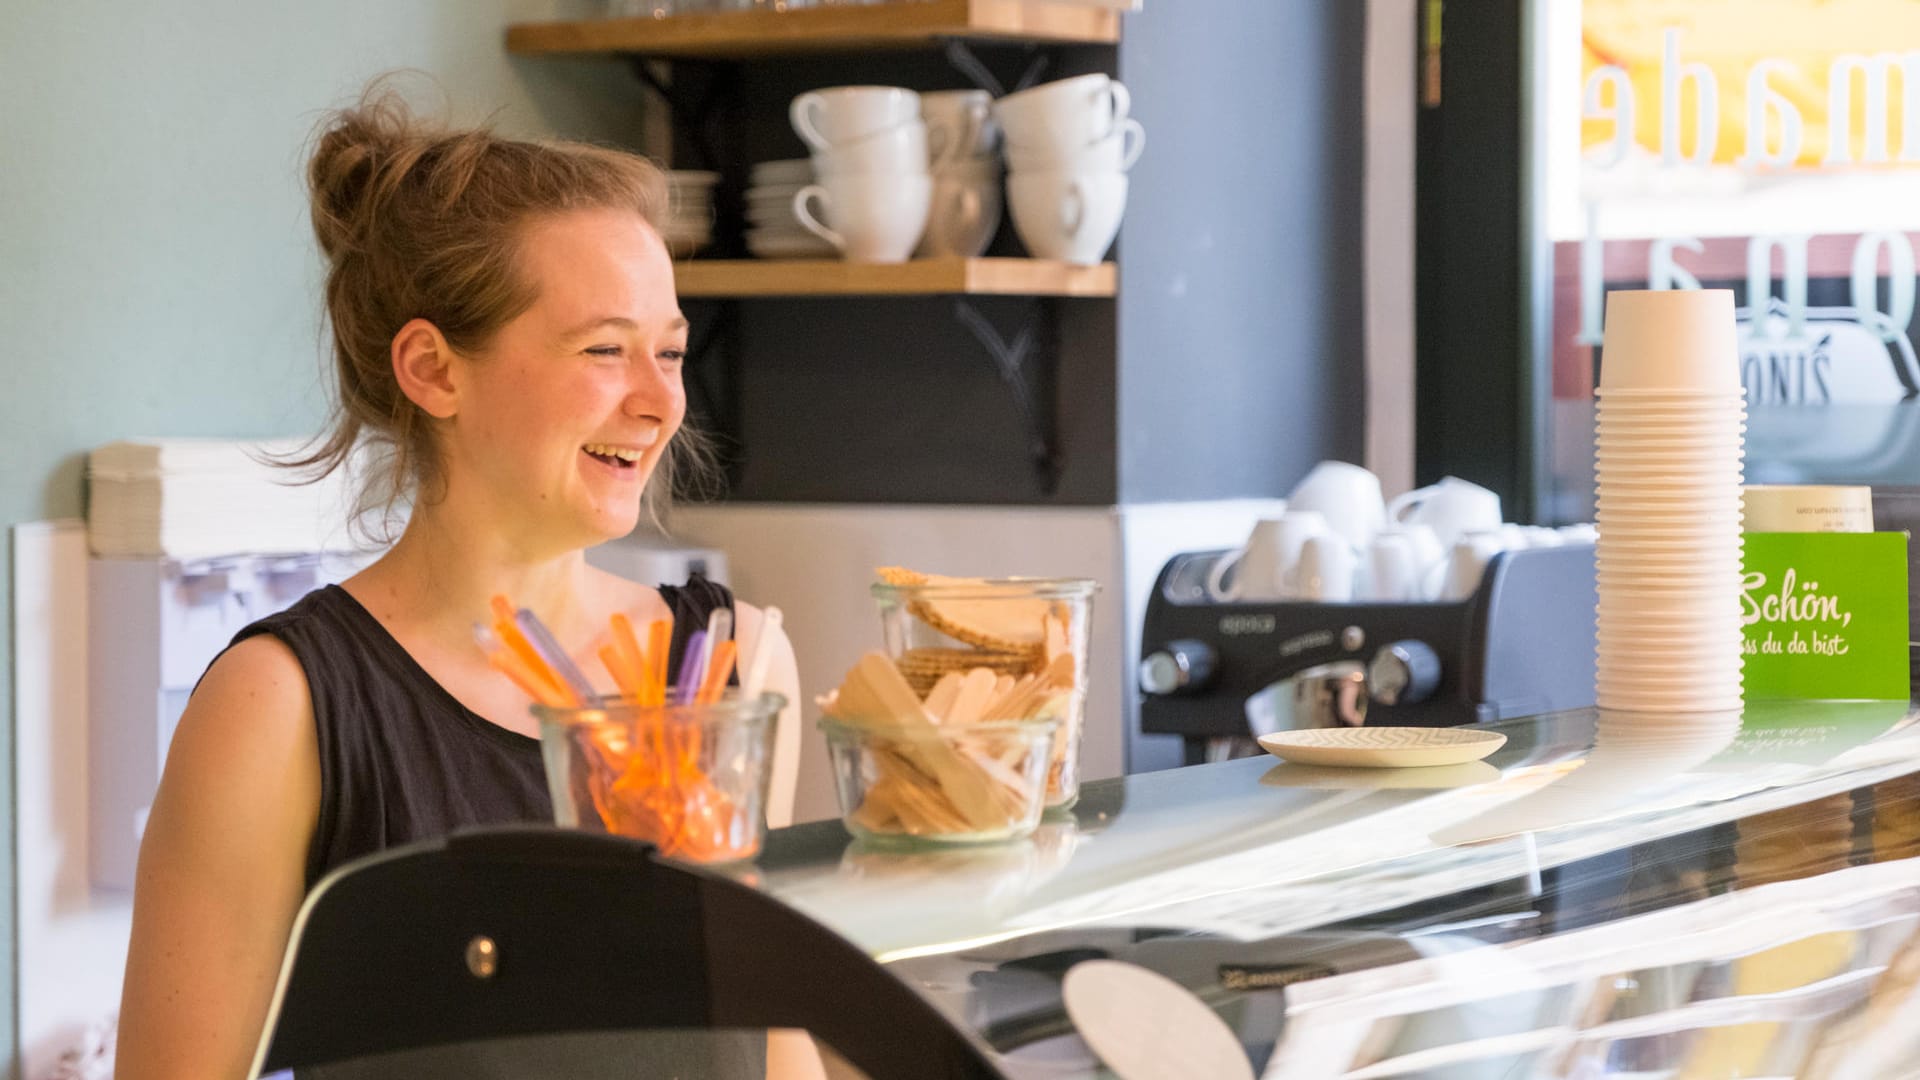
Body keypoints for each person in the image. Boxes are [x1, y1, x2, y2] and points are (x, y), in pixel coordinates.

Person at [116, 83, 817, 1078]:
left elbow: (771, 1046)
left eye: (670, 352)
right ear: (434, 370)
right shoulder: (281, 708)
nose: (661, 402)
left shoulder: (735, 665)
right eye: (606, 350)